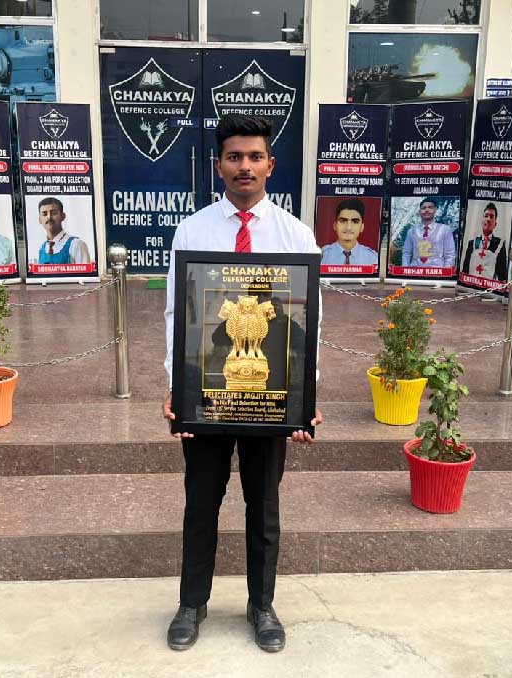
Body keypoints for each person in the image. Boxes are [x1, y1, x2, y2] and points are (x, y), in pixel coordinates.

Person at [162, 114, 322, 654]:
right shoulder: (193, 231)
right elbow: (177, 315)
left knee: (264, 506)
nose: (244, 166)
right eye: (234, 157)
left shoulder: (296, 236)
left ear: (270, 165)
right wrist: (178, 390)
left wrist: (305, 398)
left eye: (255, 157)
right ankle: (192, 603)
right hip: (208, 392)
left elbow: (308, 324)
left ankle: (262, 605)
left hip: (271, 397)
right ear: (219, 165)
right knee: (201, 503)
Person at [400, 197, 457, 269]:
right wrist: (405, 271)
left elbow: (450, 254)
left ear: (435, 210)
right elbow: (406, 253)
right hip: (415, 271)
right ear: (419, 211)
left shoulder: (445, 230)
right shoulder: (411, 232)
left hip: (438, 271)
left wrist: (446, 272)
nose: (427, 210)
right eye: (423, 208)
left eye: (430, 207)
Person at [33, 197, 92, 265]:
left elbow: (86, 272)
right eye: (44, 214)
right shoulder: (41, 250)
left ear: (63, 216)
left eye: (53, 213)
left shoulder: (76, 245)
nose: (49, 217)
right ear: (40, 220)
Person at [320, 198, 378, 266]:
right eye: (343, 221)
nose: (348, 227)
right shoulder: (322, 256)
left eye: (355, 222)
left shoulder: (373, 258)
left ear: (362, 227)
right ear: (335, 225)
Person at [461, 203, 509, 281]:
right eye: (486, 216)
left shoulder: (500, 244)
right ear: (482, 221)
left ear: (495, 224)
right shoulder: (472, 243)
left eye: (491, 217)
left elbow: (502, 275)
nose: (488, 219)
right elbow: (465, 271)